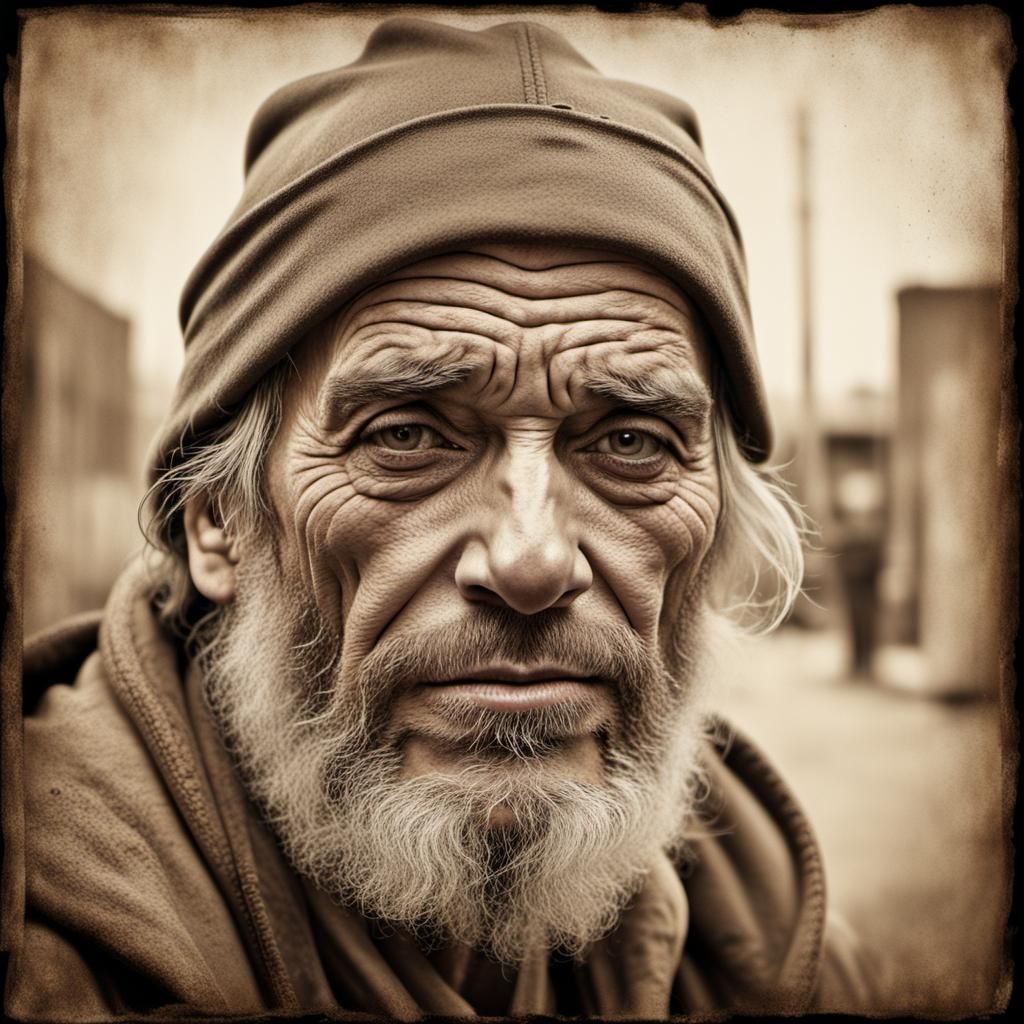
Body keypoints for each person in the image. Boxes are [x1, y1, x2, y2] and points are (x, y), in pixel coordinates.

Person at [6, 17, 874, 1019]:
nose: (532, 558)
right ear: (217, 523)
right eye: (406, 436)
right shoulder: (46, 967)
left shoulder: (769, 956)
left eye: (631, 442)